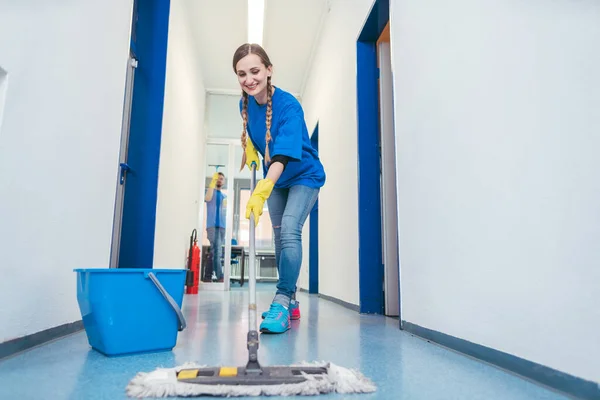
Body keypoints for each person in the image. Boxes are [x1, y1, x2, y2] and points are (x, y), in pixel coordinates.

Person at [232, 43, 326, 333]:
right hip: (277, 180)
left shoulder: (288, 106)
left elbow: (282, 155)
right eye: (242, 73)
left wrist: (262, 189)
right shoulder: (244, 104)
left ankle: (282, 300)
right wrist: (250, 149)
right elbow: (260, 138)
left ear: (269, 70)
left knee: (289, 230)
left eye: (255, 71)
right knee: (277, 238)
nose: (249, 79)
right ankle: (292, 299)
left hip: (303, 176)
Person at [204, 171, 227, 282]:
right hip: (212, 226)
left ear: (224, 181)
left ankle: (207, 277)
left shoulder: (224, 196)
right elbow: (207, 199)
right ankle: (220, 276)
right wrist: (212, 182)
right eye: (217, 178)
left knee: (214, 252)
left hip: (222, 227)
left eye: (221, 178)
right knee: (217, 251)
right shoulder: (210, 192)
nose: (219, 180)